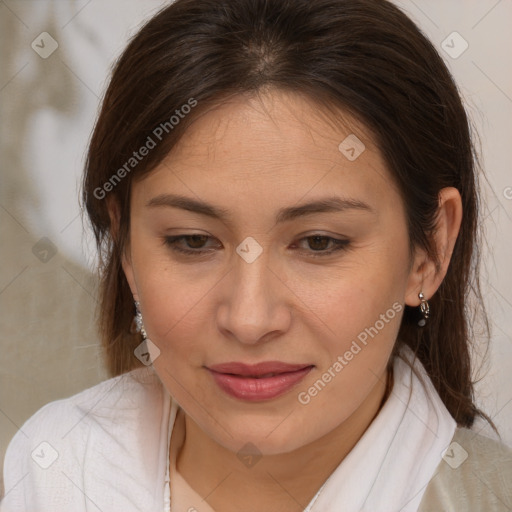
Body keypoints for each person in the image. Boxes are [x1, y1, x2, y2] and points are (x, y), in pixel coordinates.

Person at [2, 0, 511, 510]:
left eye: (319, 243)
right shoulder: (53, 473)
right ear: (127, 245)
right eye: (192, 241)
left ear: (431, 251)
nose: (249, 320)